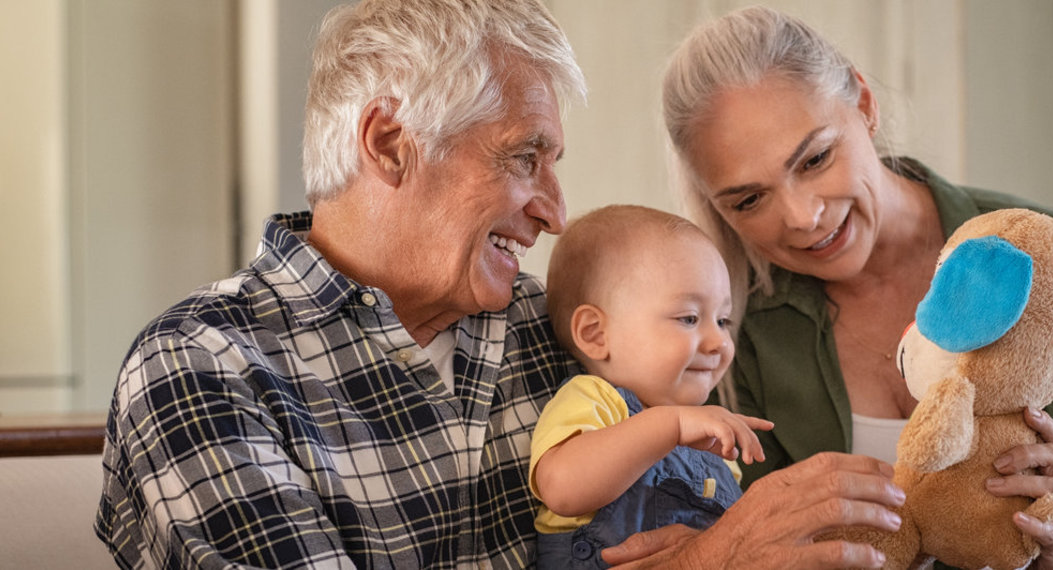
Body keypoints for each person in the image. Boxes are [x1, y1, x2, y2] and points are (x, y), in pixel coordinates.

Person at [95, 1, 905, 568]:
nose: (555, 214)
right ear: (388, 142)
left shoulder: (546, 323)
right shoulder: (203, 369)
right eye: (525, 158)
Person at [660, 5, 1053, 569]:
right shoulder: (725, 331)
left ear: (864, 104)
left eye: (816, 158)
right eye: (750, 200)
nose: (802, 216)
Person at [530, 204, 773, 568]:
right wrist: (670, 426)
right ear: (596, 334)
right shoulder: (596, 400)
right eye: (689, 318)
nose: (719, 342)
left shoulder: (708, 439)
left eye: (723, 320)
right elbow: (563, 488)